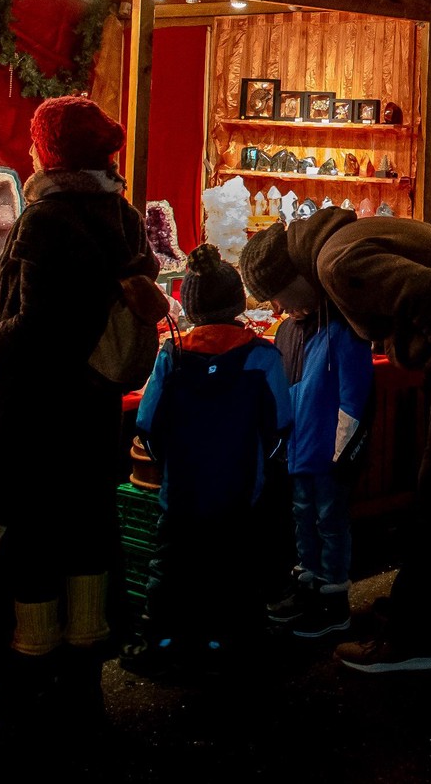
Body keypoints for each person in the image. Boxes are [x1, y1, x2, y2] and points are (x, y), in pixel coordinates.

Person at [239, 211, 431, 673]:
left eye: (279, 297)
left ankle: (413, 637)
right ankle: (430, 612)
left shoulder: (335, 263)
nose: (283, 310)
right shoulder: (340, 241)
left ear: (292, 276)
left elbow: (424, 288)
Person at [0, 96, 161, 725]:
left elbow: (35, 327)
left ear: (48, 149)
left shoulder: (47, 217)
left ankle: (33, 671)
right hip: (93, 408)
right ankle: (84, 677)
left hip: (36, 410)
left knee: (30, 535)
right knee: (86, 530)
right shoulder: (123, 216)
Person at [131, 245, 292, 670]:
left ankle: (162, 642)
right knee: (235, 570)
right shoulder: (262, 357)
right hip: (240, 493)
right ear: (238, 305)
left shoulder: (172, 356)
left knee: (171, 567)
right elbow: (280, 427)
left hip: (181, 493)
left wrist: (172, 464)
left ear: (192, 308)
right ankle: (230, 642)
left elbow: (146, 426)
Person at [265, 267, 375, 640]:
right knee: (303, 519)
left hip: (328, 451)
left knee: (330, 523)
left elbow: (354, 395)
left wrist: (344, 452)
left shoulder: (342, 331)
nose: (280, 306)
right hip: (298, 449)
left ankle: (334, 601)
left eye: (283, 297)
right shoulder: (289, 332)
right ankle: (309, 585)